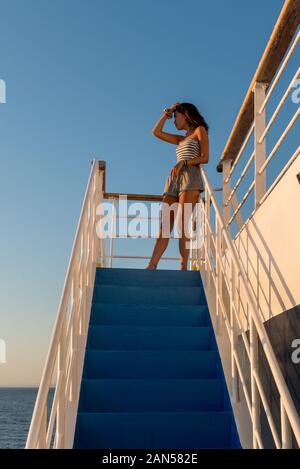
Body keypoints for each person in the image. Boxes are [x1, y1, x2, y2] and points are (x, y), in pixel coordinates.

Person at [145, 102, 209, 270]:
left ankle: (183, 266)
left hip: (190, 176)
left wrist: (184, 162)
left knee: (181, 224)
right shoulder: (180, 139)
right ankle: (152, 265)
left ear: (185, 115)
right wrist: (167, 113)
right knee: (164, 226)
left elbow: (205, 157)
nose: (173, 121)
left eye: (175, 117)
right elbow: (156, 132)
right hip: (174, 179)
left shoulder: (199, 131)